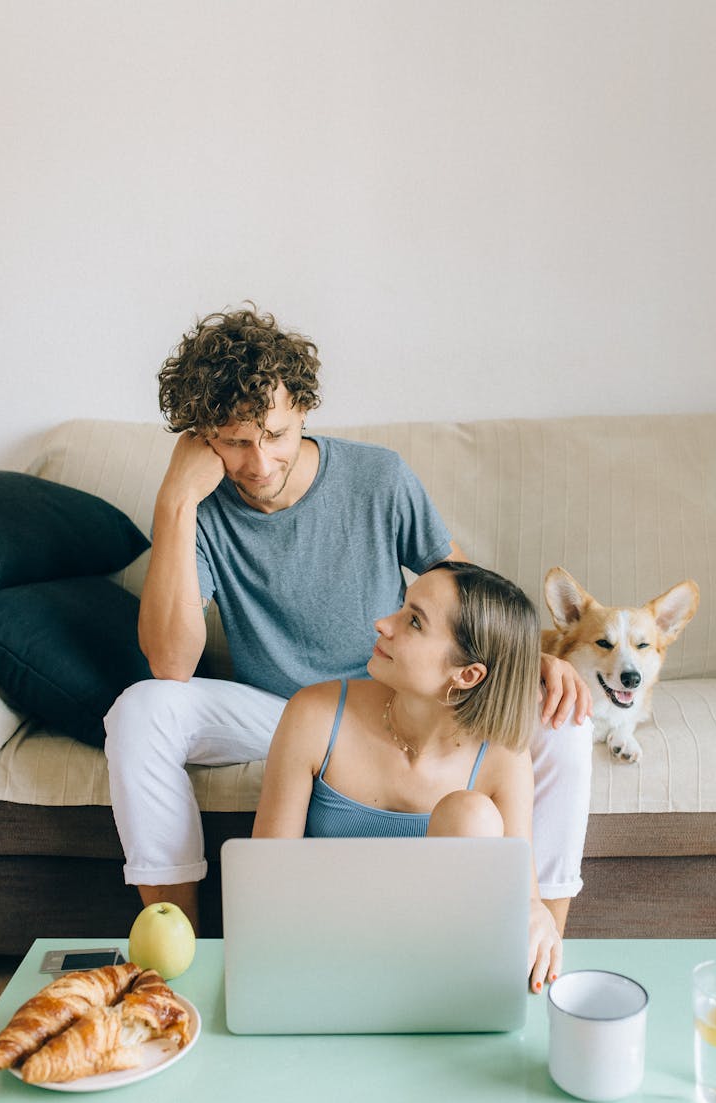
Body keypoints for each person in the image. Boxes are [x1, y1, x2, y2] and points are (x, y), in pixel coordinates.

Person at [104, 303, 593, 932]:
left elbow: (463, 597)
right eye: (235, 442)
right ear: (202, 436)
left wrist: (530, 661)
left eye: (275, 435)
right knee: (141, 710)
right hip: (285, 714)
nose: (258, 464)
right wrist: (175, 501)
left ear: (303, 410)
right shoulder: (199, 507)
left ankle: (544, 943)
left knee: (567, 723)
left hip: (394, 690)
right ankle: (183, 944)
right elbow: (170, 664)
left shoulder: (378, 477)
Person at [253, 559, 560, 992]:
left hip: (435, 977)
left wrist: (538, 915)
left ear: (468, 674)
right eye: (402, 608)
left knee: (470, 813)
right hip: (327, 955)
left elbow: (520, 899)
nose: (383, 624)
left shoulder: (503, 758)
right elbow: (265, 882)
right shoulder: (315, 714)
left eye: (413, 621)